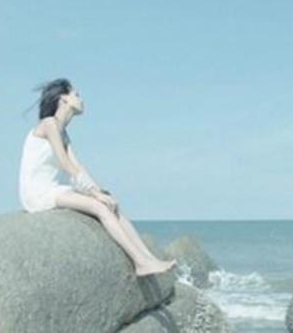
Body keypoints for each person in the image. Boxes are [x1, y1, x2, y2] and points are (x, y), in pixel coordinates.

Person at [18, 78, 177, 277]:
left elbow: (78, 167)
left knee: (111, 204)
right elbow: (66, 164)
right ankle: (140, 263)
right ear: (63, 99)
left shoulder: (63, 132)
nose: (81, 99)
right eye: (76, 95)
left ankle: (149, 259)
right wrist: (94, 195)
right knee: (99, 207)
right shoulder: (49, 124)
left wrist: (99, 191)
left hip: (52, 189)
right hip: (38, 192)